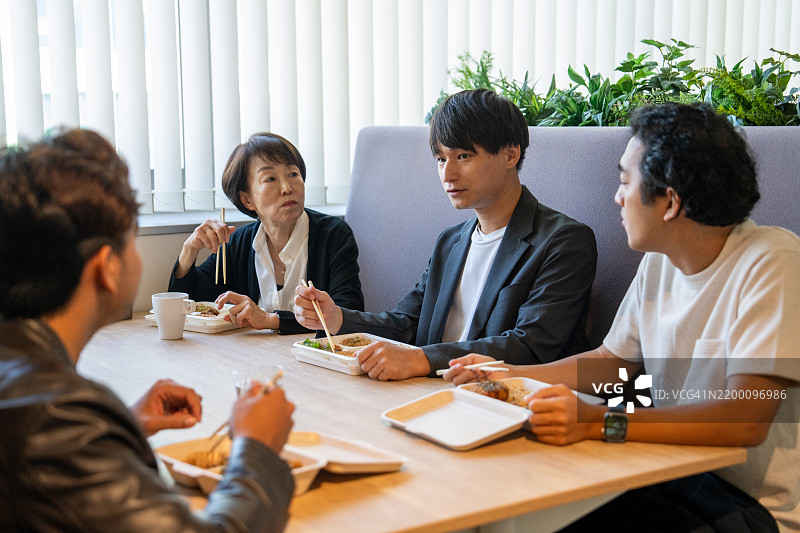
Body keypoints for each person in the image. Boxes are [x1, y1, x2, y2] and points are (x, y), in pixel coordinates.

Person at [444, 103, 800, 532]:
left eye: (625, 183)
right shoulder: (660, 261)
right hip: (664, 471)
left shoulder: (773, 260)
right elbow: (612, 365)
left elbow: (744, 419)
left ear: (669, 202)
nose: (616, 197)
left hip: (747, 507)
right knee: (506, 503)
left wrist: (599, 422)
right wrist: (507, 374)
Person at [0, 129, 296, 532]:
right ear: (108, 268)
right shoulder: (57, 424)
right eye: (133, 239)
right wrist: (256, 447)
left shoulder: (32, 391)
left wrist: (118, 426)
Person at [294, 88, 597, 380]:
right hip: (424, 389)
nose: (447, 174)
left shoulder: (564, 241)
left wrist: (422, 359)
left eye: (463, 156)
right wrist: (337, 318)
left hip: (498, 401)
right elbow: (408, 323)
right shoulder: (451, 242)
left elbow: (530, 346)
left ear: (510, 155)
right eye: (441, 159)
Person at [169, 132, 364, 334]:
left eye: (293, 174)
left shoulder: (333, 235)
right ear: (247, 200)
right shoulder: (239, 243)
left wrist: (271, 320)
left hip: (316, 360)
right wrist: (189, 249)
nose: (287, 188)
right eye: (270, 178)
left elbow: (350, 314)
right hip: (255, 357)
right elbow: (186, 306)